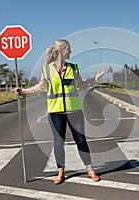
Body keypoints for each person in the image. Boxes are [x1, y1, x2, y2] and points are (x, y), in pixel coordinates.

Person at [15, 39, 107, 184]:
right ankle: (61, 172)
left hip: (74, 110)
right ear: (61, 51)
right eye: (68, 49)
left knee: (81, 140)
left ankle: (90, 169)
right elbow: (41, 86)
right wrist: (24, 91)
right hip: (55, 112)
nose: (71, 51)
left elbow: (82, 85)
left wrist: (95, 78)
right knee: (58, 142)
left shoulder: (74, 67)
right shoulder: (47, 69)